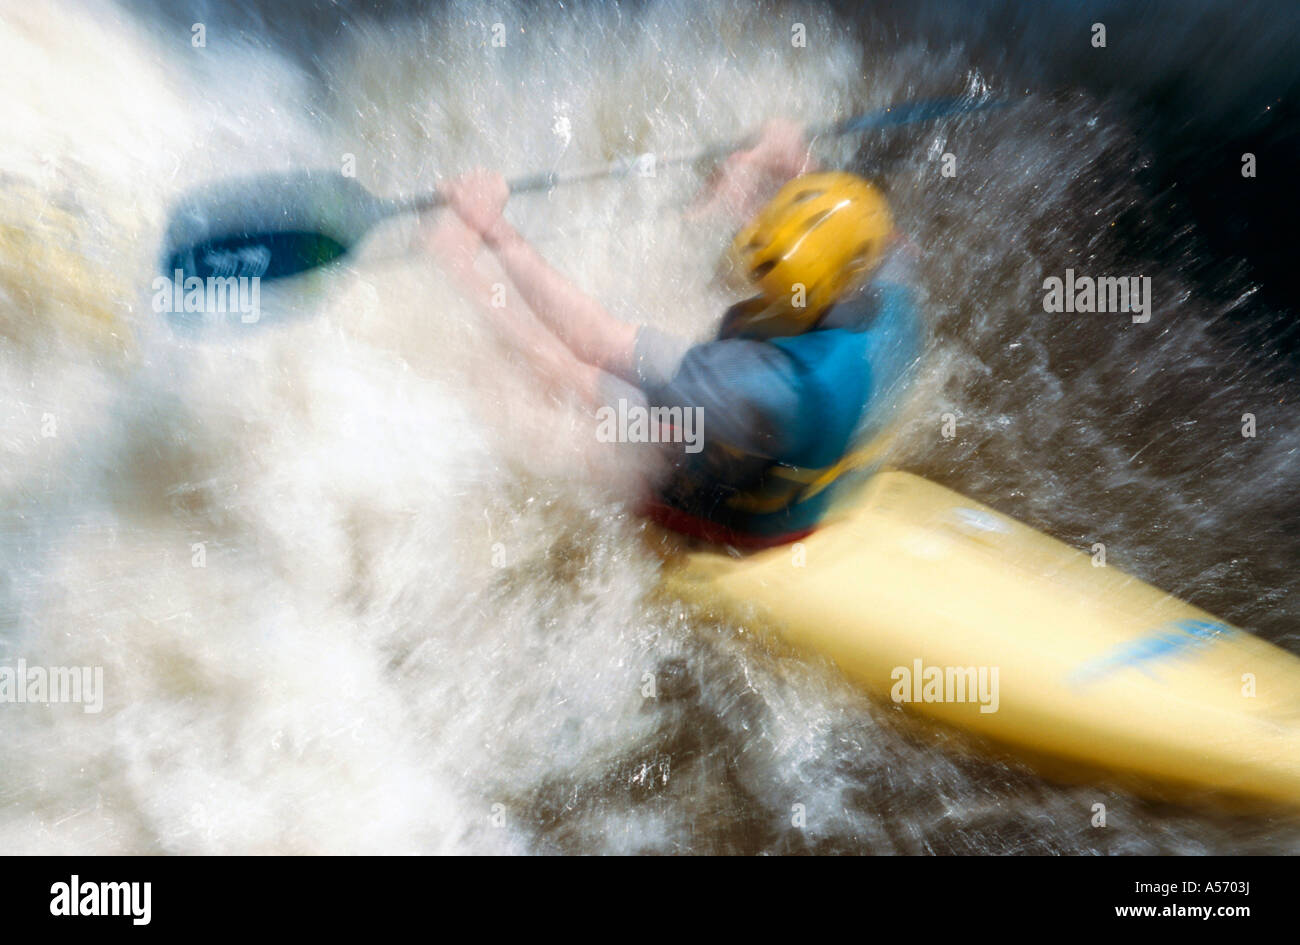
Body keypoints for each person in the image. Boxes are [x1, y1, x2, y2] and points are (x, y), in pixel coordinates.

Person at [421, 120, 922, 548]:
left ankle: (455, 264)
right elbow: (862, 220)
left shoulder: (754, 386)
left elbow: (588, 341)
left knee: (569, 378)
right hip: (806, 469)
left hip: (733, 516)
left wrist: (489, 233)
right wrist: (797, 162)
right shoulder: (890, 290)